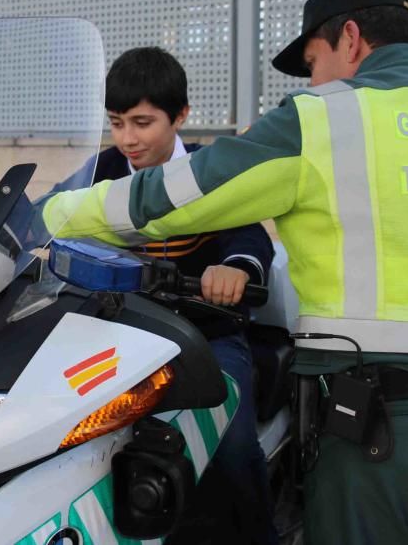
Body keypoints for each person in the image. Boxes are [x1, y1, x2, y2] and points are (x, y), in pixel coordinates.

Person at [40, 0, 408, 544]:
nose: (312, 79)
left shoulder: (321, 121)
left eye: (311, 61)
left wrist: (39, 217)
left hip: (380, 445)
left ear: (350, 40)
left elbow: (164, 197)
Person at [53, 46, 278, 544]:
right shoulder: (100, 172)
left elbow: (249, 238)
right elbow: (50, 216)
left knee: (232, 449)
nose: (128, 139)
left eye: (143, 122)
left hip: (206, 337)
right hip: (117, 341)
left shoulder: (210, 170)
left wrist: (235, 268)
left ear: (181, 116)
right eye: (116, 123)